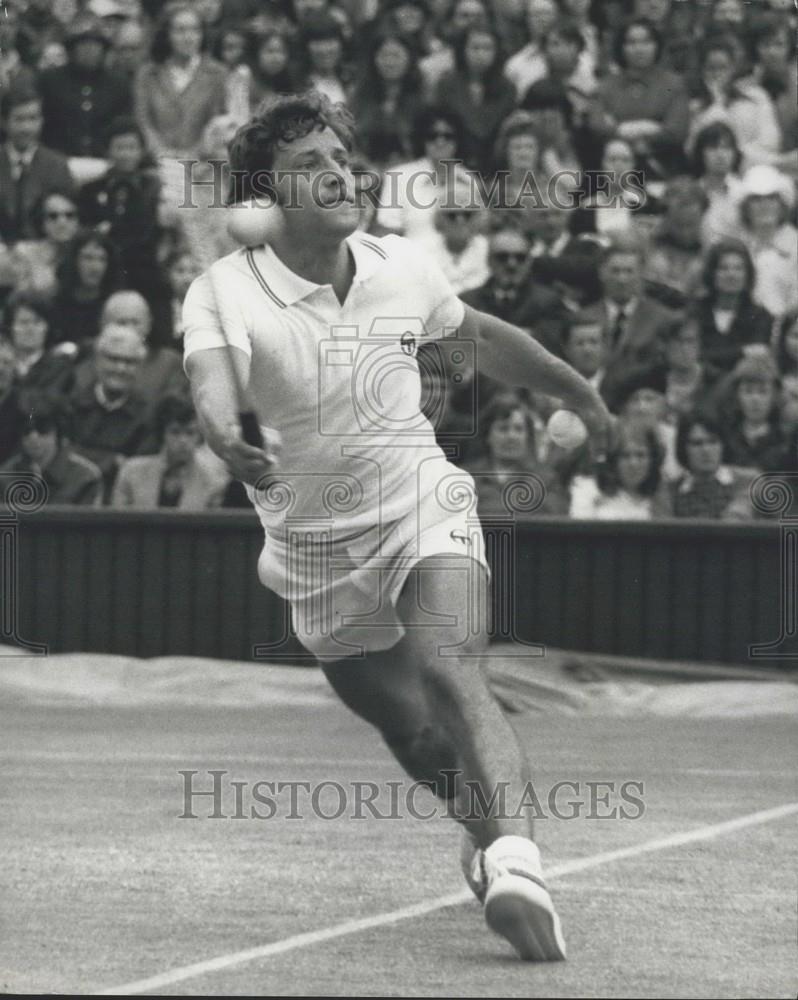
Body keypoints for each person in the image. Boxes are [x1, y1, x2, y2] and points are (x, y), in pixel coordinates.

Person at [183, 90, 613, 962]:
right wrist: (227, 435)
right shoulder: (223, 290)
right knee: (413, 732)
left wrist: (574, 388)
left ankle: (517, 863)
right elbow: (213, 382)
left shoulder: (402, 266)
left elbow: (478, 338)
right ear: (269, 194)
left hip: (421, 497)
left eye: (343, 159)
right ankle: (480, 824)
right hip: (311, 552)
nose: (339, 174)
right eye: (312, 165)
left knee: (455, 671)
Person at [69, 322, 156, 501]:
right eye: (113, 359)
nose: (120, 368)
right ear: (97, 360)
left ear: (140, 367)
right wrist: (112, 460)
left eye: (129, 362)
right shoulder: (72, 404)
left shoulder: (149, 415)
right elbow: (64, 459)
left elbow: (138, 471)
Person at [134, 3, 228, 159]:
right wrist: (161, 152)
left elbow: (218, 123)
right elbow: (143, 121)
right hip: (156, 162)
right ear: (166, 34)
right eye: (180, 30)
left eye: (195, 30)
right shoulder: (147, 74)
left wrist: (195, 154)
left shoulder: (218, 74)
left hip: (203, 164)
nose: (189, 37)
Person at [38, 14, 133, 159]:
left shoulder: (118, 83)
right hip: (59, 159)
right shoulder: (50, 81)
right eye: (83, 44)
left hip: (105, 160)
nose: (90, 50)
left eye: (96, 44)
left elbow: (124, 127)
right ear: (72, 48)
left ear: (104, 49)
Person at [112, 394, 228, 508]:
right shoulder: (131, 472)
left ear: (200, 436)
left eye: (190, 433)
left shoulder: (214, 482)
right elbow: (117, 523)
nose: (183, 441)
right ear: (162, 434)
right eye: (175, 432)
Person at [465, 392, 568, 517]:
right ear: (488, 435)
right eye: (503, 428)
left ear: (527, 436)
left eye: (518, 429)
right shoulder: (465, 477)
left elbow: (556, 519)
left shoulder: (547, 481)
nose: (511, 436)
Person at [0, 85, 76, 246]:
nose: (27, 128)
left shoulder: (57, 166)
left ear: (41, 121)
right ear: (4, 122)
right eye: (19, 119)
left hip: (44, 251)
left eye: (33, 119)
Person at [1, 392, 103, 506]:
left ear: (59, 431)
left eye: (42, 428)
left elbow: (90, 523)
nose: (33, 437)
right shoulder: (6, 475)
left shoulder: (85, 477)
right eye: (26, 430)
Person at [569, 417, 671, 520]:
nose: (633, 463)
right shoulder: (588, 491)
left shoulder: (662, 497)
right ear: (612, 460)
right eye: (625, 455)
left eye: (640, 455)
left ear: (652, 459)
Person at [670, 411, 756, 519]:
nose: (706, 450)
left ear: (723, 445)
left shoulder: (748, 481)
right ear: (683, 449)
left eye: (713, 442)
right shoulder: (673, 490)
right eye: (697, 443)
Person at [4, 290, 76, 396]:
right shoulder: (3, 367)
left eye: (37, 322)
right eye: (23, 322)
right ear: (11, 327)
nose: (30, 329)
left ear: (47, 327)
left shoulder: (59, 369)